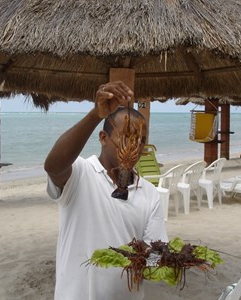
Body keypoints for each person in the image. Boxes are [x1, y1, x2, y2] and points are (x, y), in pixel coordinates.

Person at [44, 81, 168, 300]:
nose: (134, 146)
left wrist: (164, 261)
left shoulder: (150, 194)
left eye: (141, 140)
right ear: (103, 138)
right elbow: (53, 166)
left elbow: (153, 258)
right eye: (127, 137)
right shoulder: (81, 174)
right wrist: (96, 114)